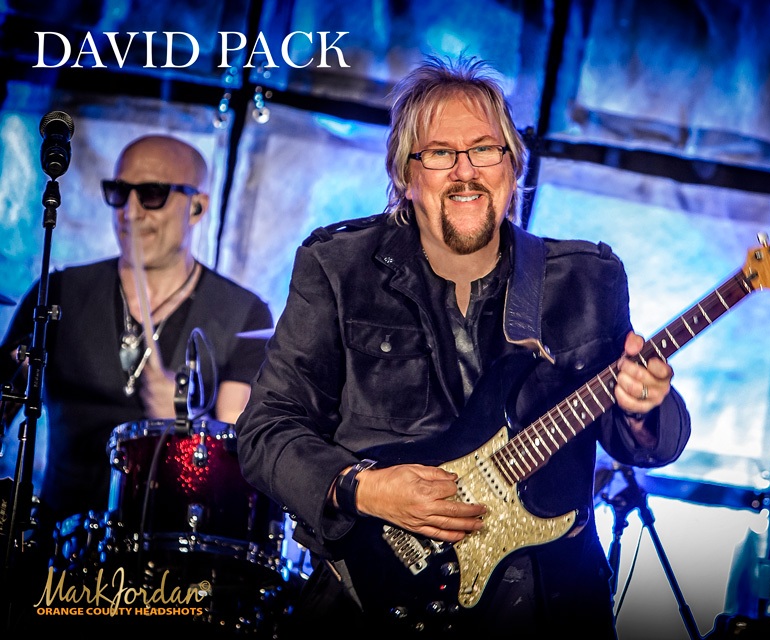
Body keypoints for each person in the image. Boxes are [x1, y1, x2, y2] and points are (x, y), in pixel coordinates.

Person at [234, 54, 691, 637]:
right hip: (374, 598)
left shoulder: (585, 279)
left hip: (550, 600)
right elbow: (265, 430)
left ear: (513, 166)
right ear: (406, 173)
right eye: (440, 154)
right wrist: (364, 488)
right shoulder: (339, 268)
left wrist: (644, 407)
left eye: (484, 150)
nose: (465, 172)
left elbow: (644, 444)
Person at [0, 134, 274, 562]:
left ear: (197, 207)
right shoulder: (58, 293)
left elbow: (239, 451)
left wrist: (186, 423)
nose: (130, 211)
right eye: (119, 192)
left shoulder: (243, 314)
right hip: (57, 548)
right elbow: (4, 403)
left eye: (152, 194)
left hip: (170, 562)